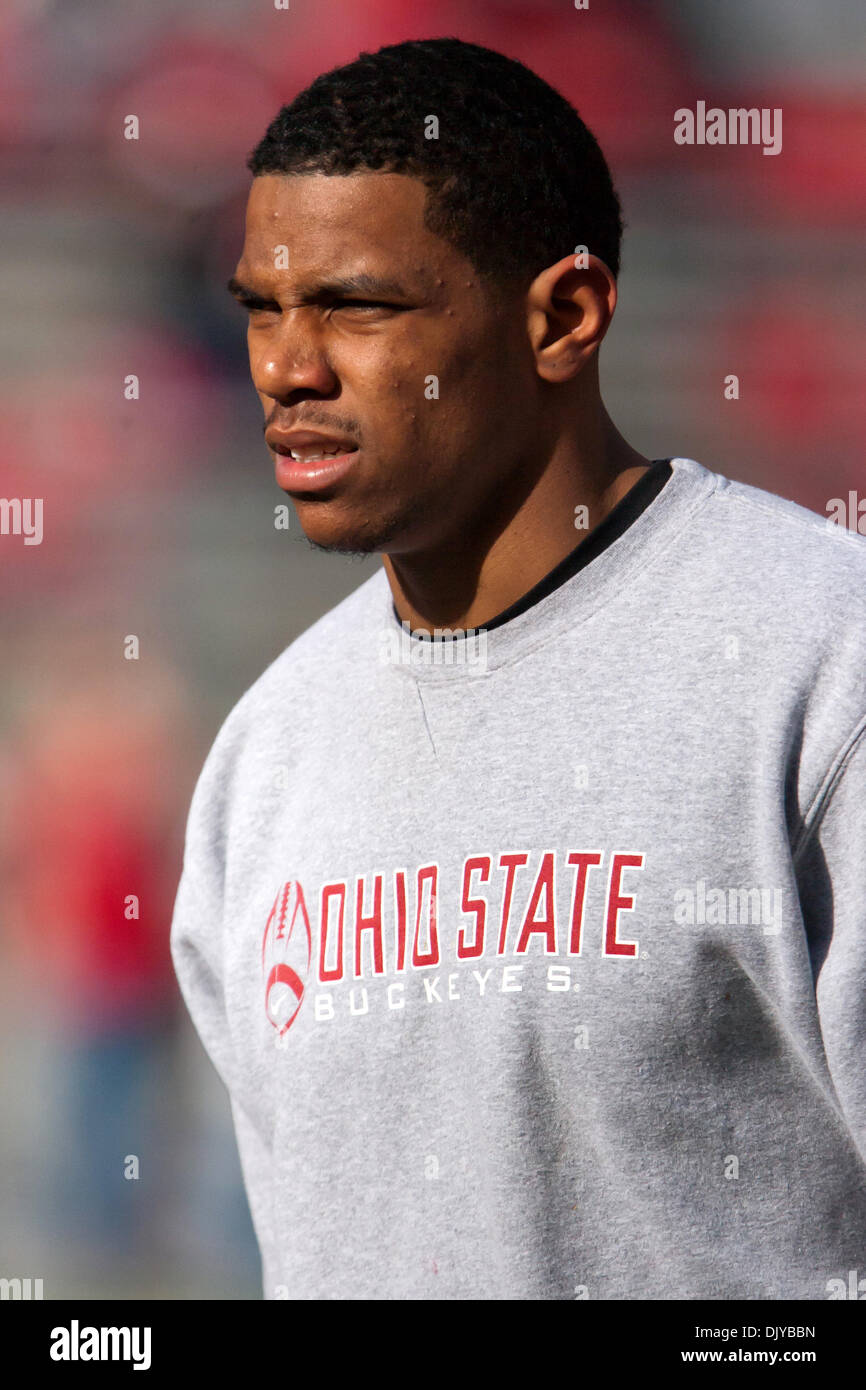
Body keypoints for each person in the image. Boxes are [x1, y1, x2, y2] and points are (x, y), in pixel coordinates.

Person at [170, 37, 866, 1300]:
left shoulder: (819, 661)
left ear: (561, 317)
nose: (286, 369)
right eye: (262, 312)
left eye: (357, 305)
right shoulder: (266, 752)